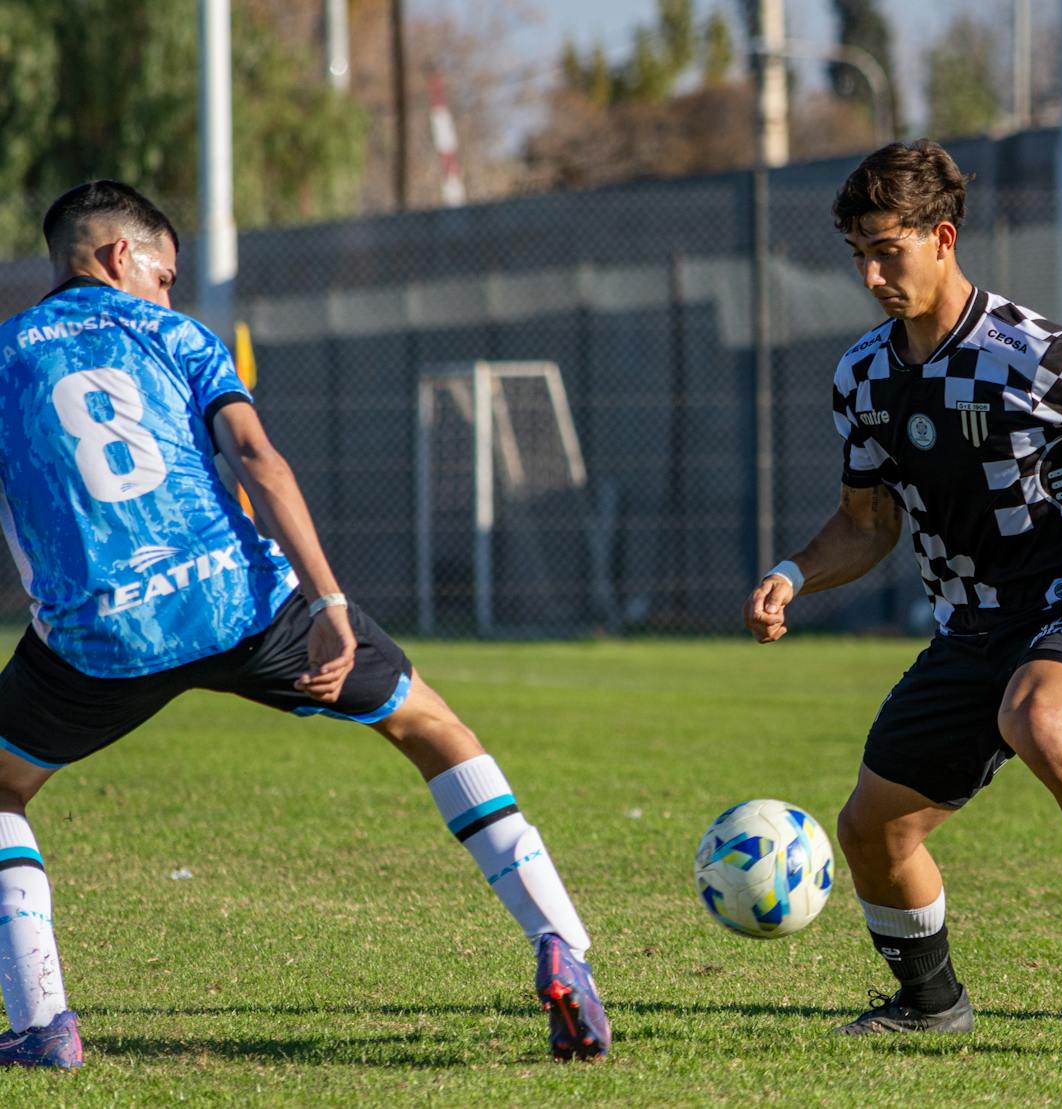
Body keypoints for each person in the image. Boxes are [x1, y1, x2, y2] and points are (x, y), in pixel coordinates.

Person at [0, 182, 611, 1067]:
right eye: (165, 275)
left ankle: (45, 1022)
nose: (171, 294)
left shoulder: (8, 353)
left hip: (104, 635)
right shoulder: (178, 336)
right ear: (119, 259)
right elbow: (258, 457)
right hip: (244, 598)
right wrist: (328, 604)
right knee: (434, 728)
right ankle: (561, 945)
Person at [742, 141, 1062, 1033]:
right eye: (858, 255)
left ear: (943, 236)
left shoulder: (1035, 353)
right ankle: (931, 1002)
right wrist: (792, 573)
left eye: (889, 249)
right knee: (871, 829)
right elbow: (868, 522)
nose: (871, 274)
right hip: (971, 629)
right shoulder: (865, 376)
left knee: (1038, 718)